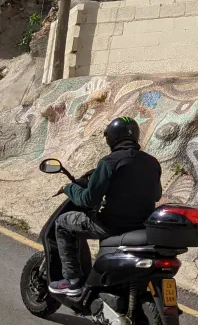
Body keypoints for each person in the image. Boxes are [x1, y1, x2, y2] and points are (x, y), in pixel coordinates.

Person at [49, 116, 162, 297]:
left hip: (111, 226)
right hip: (141, 228)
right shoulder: (152, 162)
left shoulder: (109, 162)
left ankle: (72, 281)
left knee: (62, 223)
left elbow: (88, 200)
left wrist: (69, 188)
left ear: (112, 137)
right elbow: (156, 195)